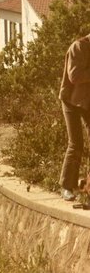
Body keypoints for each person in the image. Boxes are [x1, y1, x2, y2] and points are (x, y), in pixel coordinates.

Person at [59, 33, 90, 201]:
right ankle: (66, 186)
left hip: (87, 101)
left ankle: (87, 186)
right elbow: (75, 76)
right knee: (76, 143)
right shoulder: (78, 46)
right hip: (71, 100)